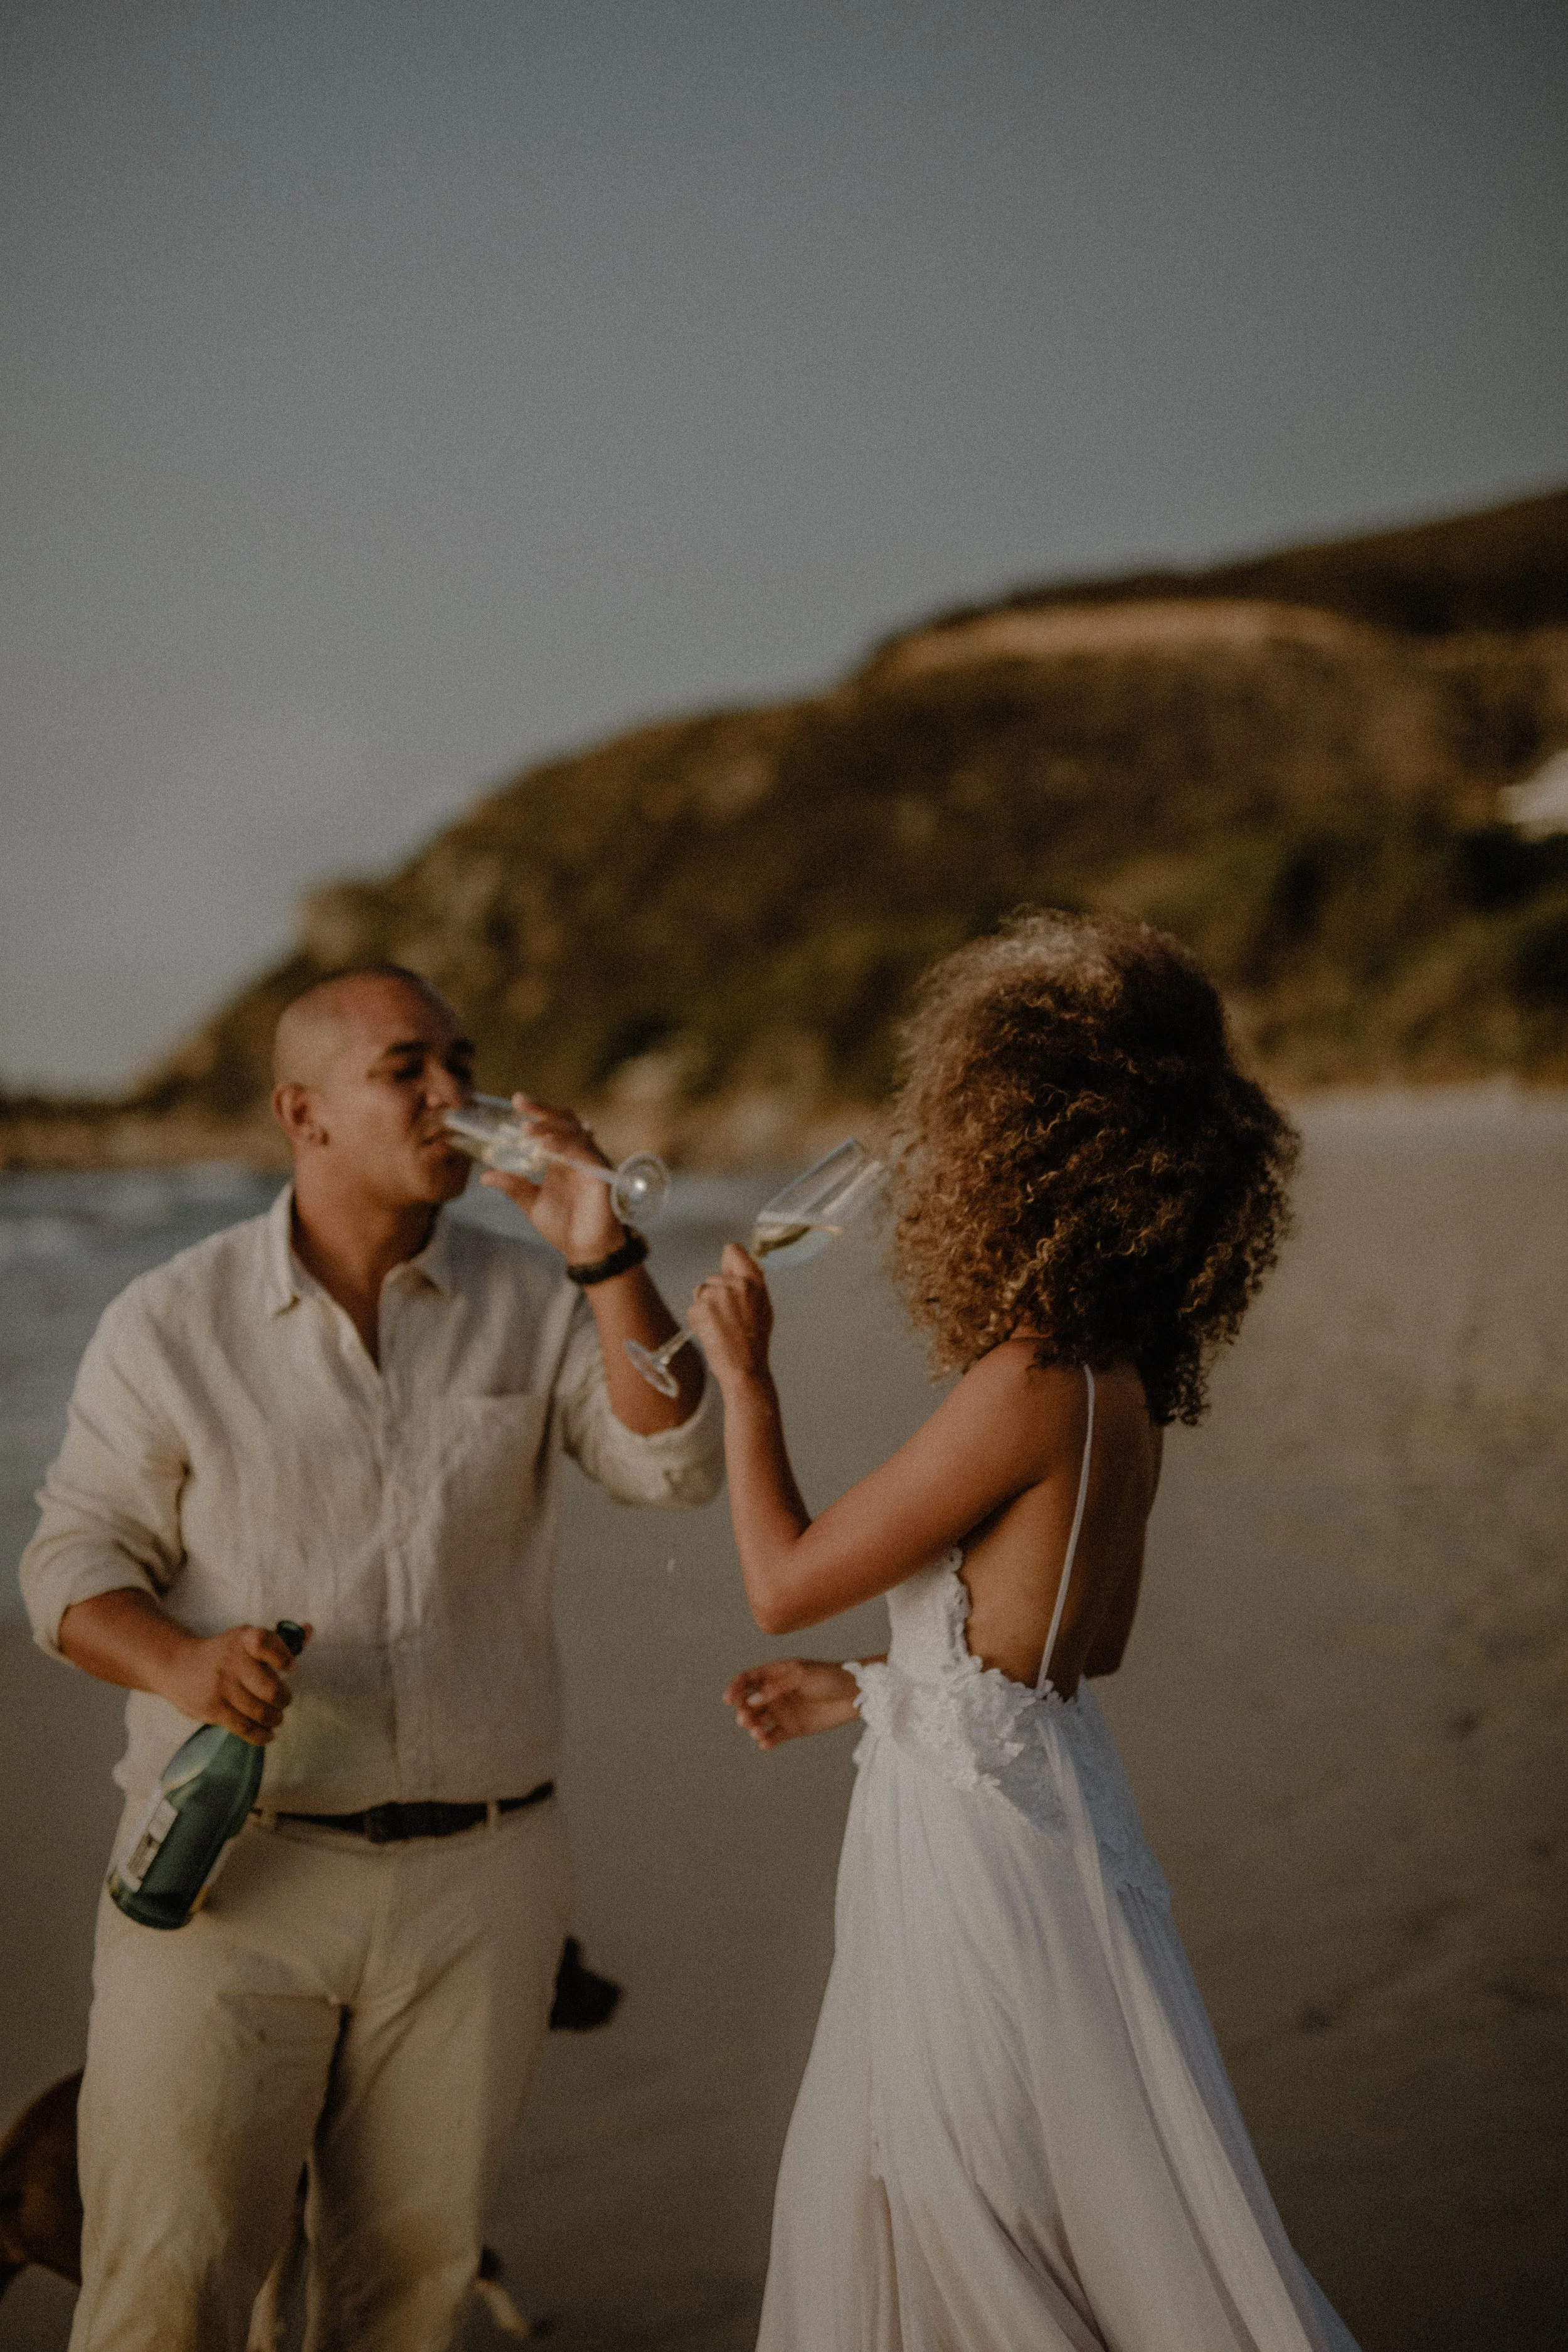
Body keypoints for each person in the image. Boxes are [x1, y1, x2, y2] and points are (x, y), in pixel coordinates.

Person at [20, 963, 721, 2352]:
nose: (455, 1095)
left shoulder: (537, 1297)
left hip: (484, 1879)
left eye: (460, 1060)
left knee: (404, 2298)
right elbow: (68, 1561)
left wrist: (601, 1251)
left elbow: (676, 1462)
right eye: (408, 1068)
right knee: (168, 2291)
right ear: (306, 1112)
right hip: (231, 1879)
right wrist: (177, 1664)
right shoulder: (170, 1321)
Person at [688, 911, 1362, 2352]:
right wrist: (867, 1694)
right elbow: (1061, 1656)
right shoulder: (1116, 1381)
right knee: (1026, 2192)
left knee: (958, 2202)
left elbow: (778, 1576)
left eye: (953, 1136)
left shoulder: (1028, 1376)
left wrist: (746, 1382)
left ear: (1021, 1160)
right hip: (1040, 1824)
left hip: (969, 1863)